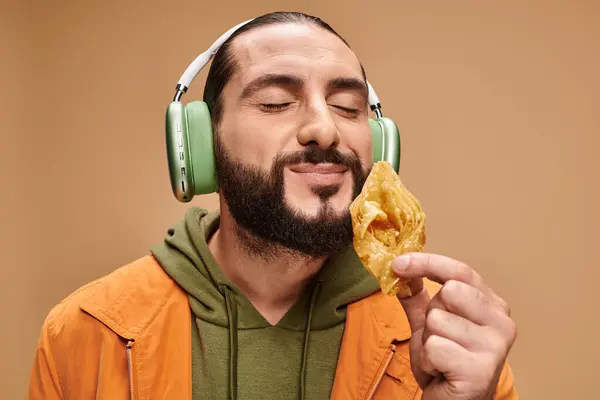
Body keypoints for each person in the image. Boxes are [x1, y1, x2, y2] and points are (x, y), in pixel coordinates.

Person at [28, 11, 518, 400]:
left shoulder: (444, 337)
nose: (325, 129)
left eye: (348, 108)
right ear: (200, 145)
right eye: (276, 102)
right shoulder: (87, 330)